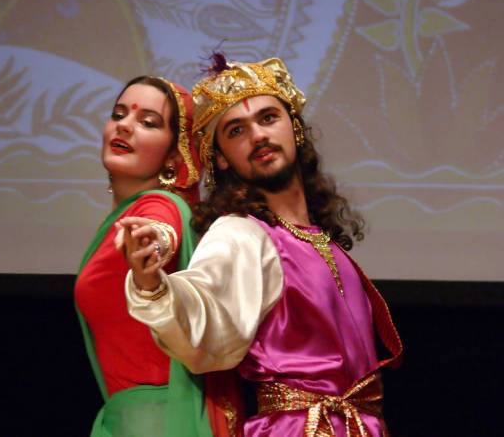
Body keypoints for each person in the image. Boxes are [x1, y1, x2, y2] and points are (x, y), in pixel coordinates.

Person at [120, 56, 403, 436]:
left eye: (268, 118)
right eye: (236, 130)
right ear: (222, 158)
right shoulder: (242, 234)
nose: (257, 136)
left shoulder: (324, 243)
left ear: (295, 129)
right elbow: (204, 310)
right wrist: (154, 286)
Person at [74, 76, 229, 437]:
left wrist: (154, 244)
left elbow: (163, 229)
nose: (125, 126)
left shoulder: (161, 205)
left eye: (148, 122)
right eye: (118, 115)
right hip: (126, 419)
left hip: (160, 421)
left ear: (174, 156)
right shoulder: (123, 218)